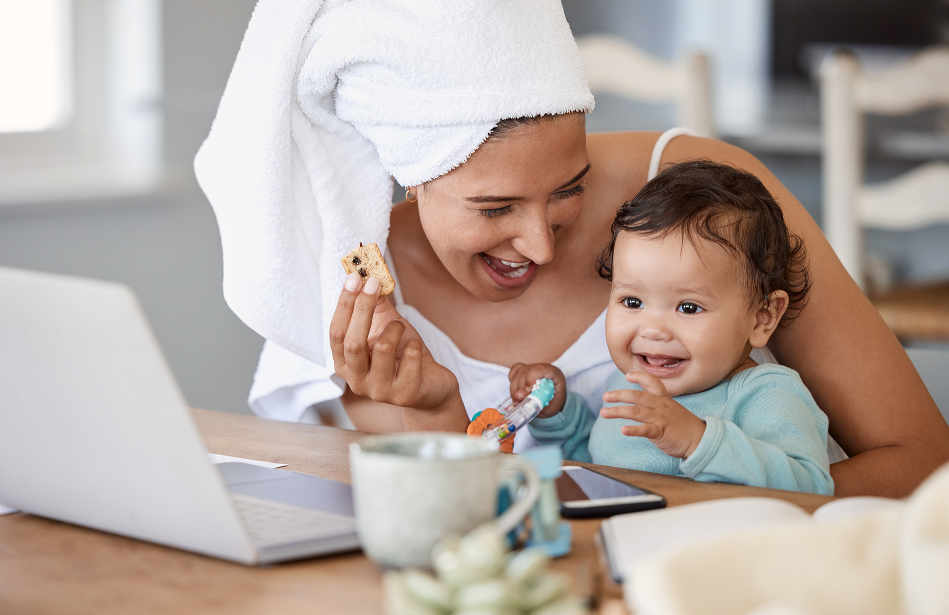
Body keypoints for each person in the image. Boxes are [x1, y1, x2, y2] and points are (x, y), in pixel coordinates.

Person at [197, 1, 949, 498]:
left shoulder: (706, 198)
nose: (538, 243)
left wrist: (678, 503)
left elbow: (922, 462)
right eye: (494, 207)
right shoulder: (342, 293)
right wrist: (429, 414)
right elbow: (464, 521)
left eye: (571, 187)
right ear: (406, 177)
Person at [511, 160, 833, 495]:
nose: (652, 331)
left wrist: (698, 441)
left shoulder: (764, 394)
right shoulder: (630, 381)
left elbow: (811, 487)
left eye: (688, 307)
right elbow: (601, 470)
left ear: (762, 317)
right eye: (633, 302)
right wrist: (558, 414)